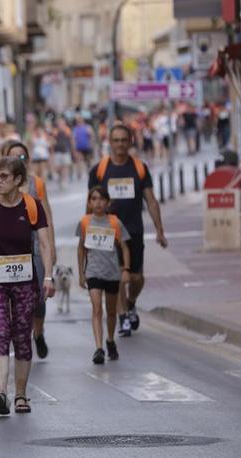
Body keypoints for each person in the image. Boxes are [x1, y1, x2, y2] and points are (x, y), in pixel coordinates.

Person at [0, 157, 54, 415]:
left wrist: (48, 276)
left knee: (21, 336)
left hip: (25, 282)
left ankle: (20, 395)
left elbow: (44, 243)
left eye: (4, 176)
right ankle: (1, 393)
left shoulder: (32, 206)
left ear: (18, 180)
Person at [87, 124, 167, 337]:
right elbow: (90, 203)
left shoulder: (139, 168)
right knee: (118, 276)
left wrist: (160, 230)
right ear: (110, 143)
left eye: (124, 140)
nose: (120, 144)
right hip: (107, 233)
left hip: (134, 231)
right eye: (116, 140)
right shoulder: (99, 170)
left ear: (130, 142)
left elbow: (151, 200)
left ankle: (131, 303)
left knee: (136, 278)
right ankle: (123, 318)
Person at [0, 141, 56, 359]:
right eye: (13, 157)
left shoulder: (36, 183)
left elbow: (47, 216)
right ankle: (20, 336)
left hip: (36, 247)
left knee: (38, 298)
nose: (19, 160)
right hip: (8, 249)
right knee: (11, 295)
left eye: (22, 157)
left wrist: (52, 247)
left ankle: (38, 333)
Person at [77, 186, 130, 364]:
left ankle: (110, 340)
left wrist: (126, 270)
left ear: (107, 202)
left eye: (101, 199)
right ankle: (99, 348)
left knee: (111, 312)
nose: (97, 202)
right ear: (89, 202)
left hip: (112, 273)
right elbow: (81, 248)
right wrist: (81, 273)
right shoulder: (85, 222)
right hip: (93, 271)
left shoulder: (114, 222)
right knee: (97, 308)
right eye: (94, 199)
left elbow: (124, 247)